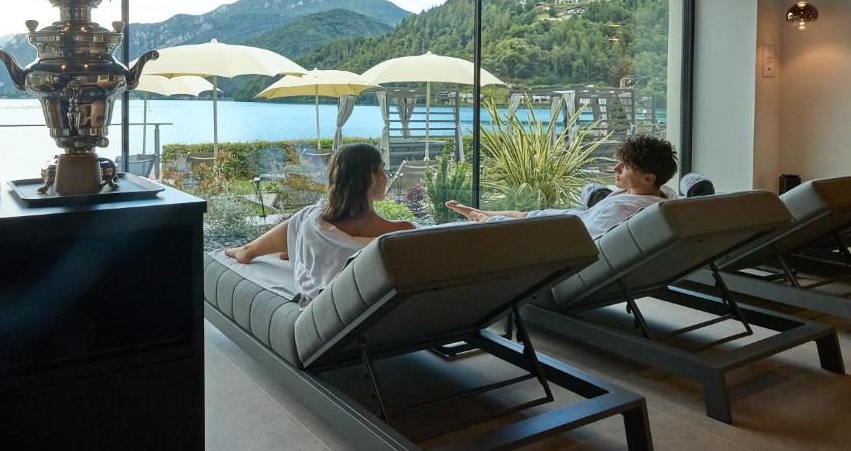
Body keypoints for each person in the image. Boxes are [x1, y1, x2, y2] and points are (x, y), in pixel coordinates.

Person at [226, 143, 414, 305]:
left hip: (335, 296)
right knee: (310, 215)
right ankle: (280, 250)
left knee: (308, 214)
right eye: (382, 170)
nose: (386, 177)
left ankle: (250, 250)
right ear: (372, 179)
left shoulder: (316, 226)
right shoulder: (404, 231)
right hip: (380, 307)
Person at [446, 135, 679, 239]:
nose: (615, 169)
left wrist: (493, 224)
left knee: (520, 221)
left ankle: (485, 220)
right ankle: (483, 214)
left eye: (624, 166)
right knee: (528, 214)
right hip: (574, 222)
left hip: (564, 243)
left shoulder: (622, 211)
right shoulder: (663, 197)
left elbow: (577, 245)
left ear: (648, 178)